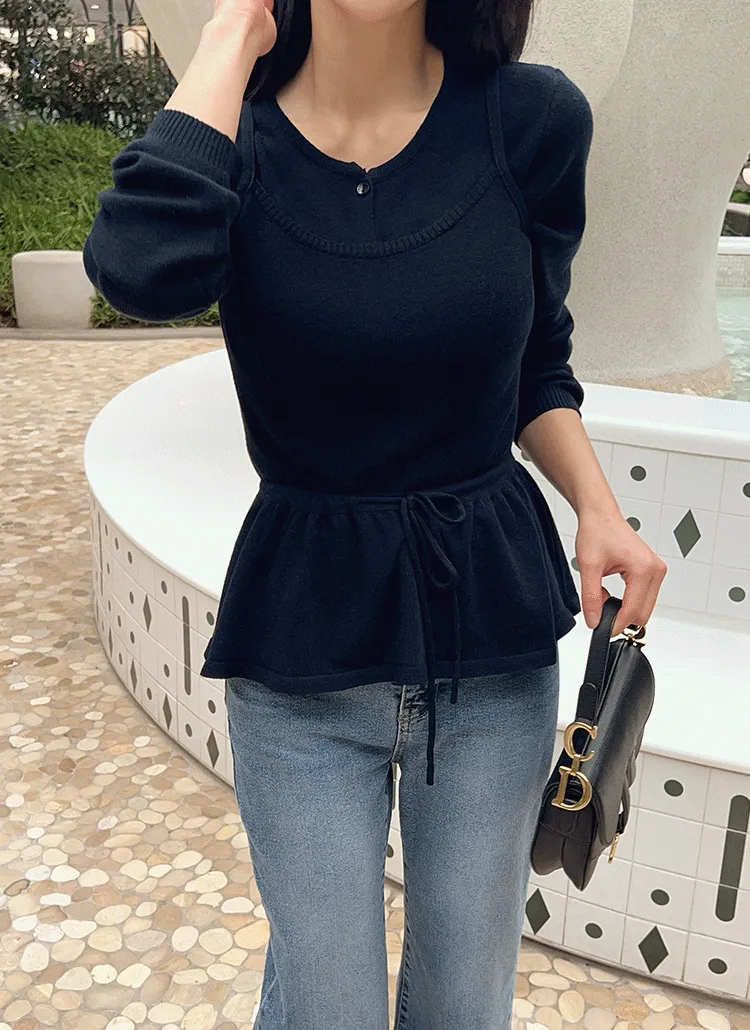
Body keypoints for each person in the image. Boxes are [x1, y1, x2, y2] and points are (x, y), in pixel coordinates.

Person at [83, 1, 668, 1026]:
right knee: (328, 1005)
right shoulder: (233, 138)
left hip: (490, 646)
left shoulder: (531, 123)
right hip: (301, 651)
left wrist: (597, 505)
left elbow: (538, 362)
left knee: (464, 1001)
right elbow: (139, 270)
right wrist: (232, 35)